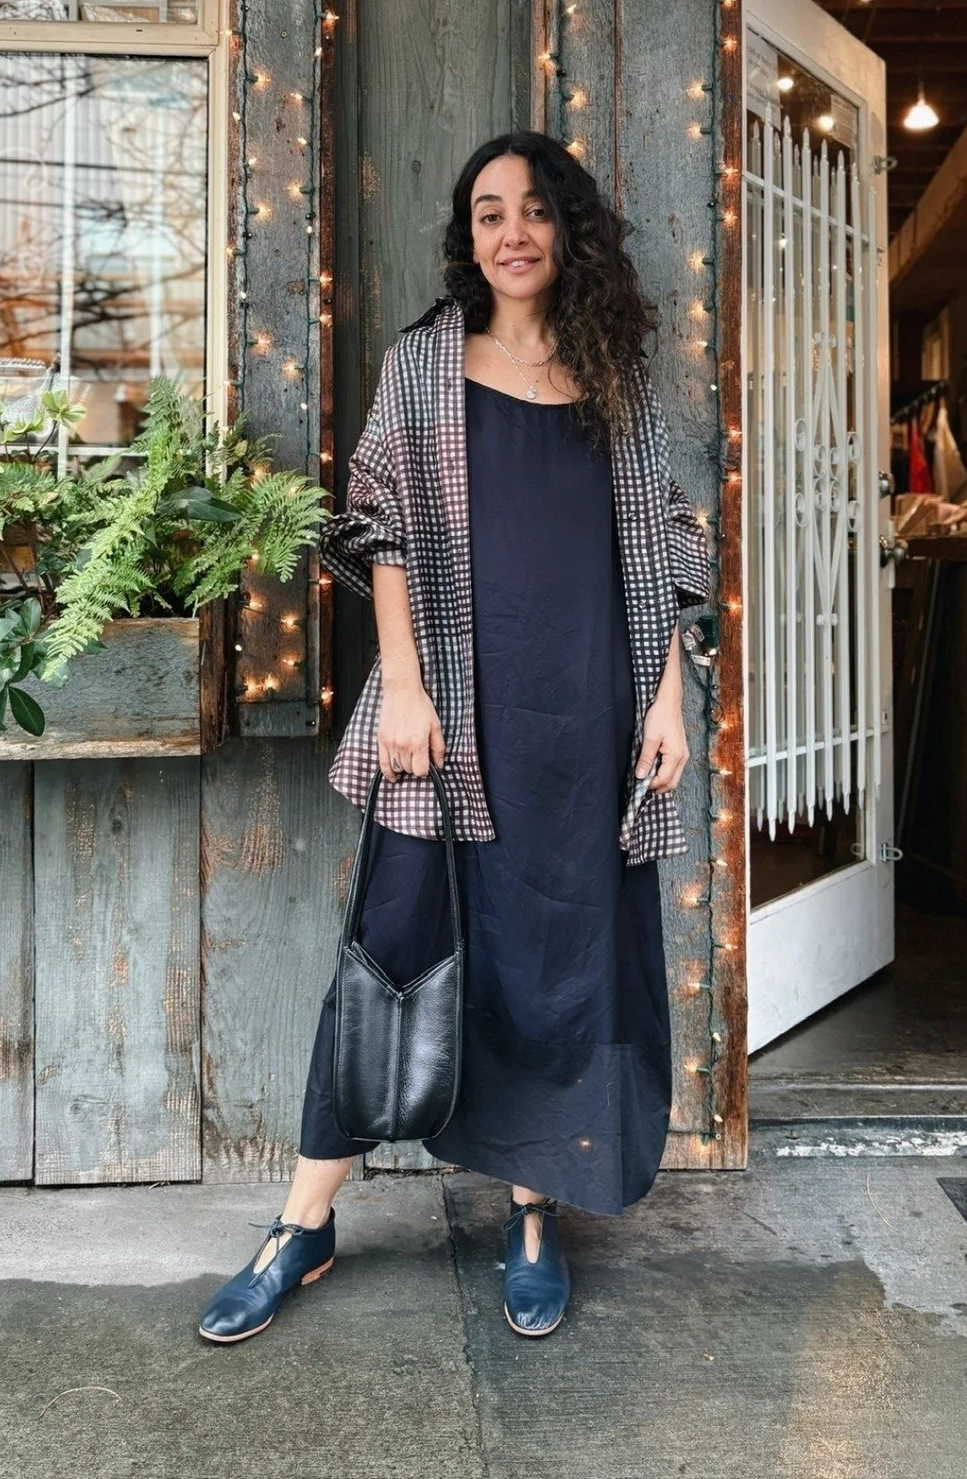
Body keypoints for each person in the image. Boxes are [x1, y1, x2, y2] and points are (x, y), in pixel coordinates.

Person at [199, 130, 710, 1345]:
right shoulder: (425, 365)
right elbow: (380, 532)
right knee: (392, 949)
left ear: (567, 229)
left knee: (558, 958)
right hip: (452, 719)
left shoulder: (620, 375)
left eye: (534, 210)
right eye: (489, 213)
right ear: (466, 237)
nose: (513, 232)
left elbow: (673, 550)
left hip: (589, 726)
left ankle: (534, 1212)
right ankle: (301, 1226)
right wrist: (410, 688)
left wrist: (668, 699)